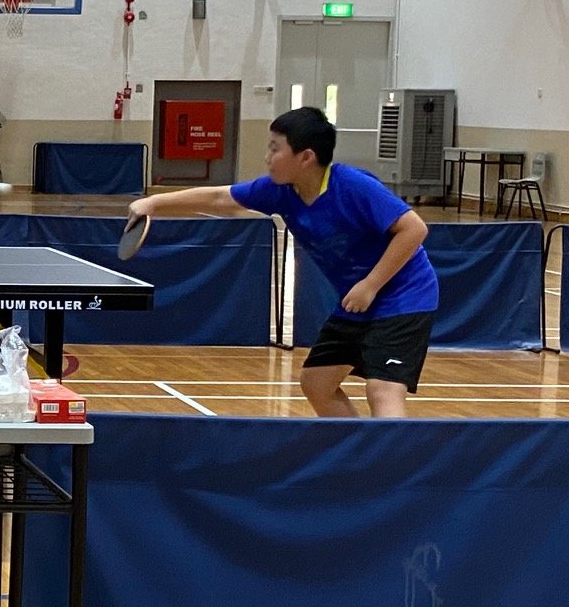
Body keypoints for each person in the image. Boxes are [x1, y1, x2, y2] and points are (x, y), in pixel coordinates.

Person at [128, 106, 438, 418]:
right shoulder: (280, 192)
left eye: (275, 148)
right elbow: (221, 198)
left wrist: (371, 285)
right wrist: (154, 202)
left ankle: (393, 465)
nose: (267, 157)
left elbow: (414, 229)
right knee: (317, 383)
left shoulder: (354, 186)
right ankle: (360, 453)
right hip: (355, 299)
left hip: (404, 295)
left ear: (305, 157)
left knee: (382, 389)